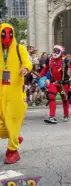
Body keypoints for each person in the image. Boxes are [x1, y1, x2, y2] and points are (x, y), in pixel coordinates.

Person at [0, 23, 32, 164]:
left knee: (12, 122)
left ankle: (12, 150)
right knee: (2, 125)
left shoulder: (20, 49)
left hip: (15, 94)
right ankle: (14, 137)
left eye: (9, 34)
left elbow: (28, 63)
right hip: (1, 92)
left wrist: (25, 68)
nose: (7, 39)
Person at [40, 45, 70, 124]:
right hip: (54, 83)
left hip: (63, 84)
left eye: (57, 51)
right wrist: (40, 77)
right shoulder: (49, 60)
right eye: (54, 51)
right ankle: (52, 117)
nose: (55, 53)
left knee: (64, 99)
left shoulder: (65, 60)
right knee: (51, 97)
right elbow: (45, 69)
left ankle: (66, 115)